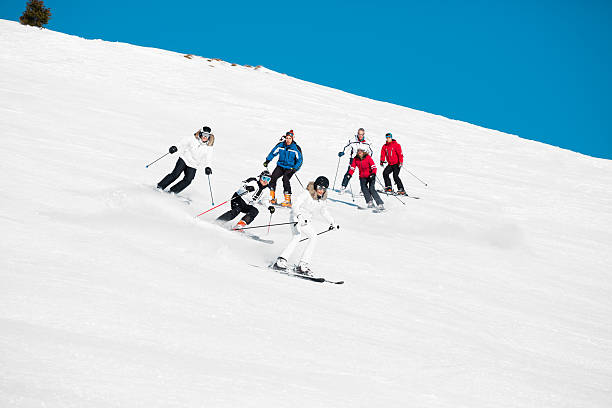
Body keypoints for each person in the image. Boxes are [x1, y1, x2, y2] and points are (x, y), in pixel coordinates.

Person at [273, 176, 338, 275]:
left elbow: (324, 212)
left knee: (313, 237)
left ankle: (302, 265)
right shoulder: (307, 193)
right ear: (316, 185)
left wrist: (332, 222)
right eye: (320, 187)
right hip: (296, 218)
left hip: (306, 221)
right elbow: (295, 205)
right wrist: (299, 216)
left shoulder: (322, 199)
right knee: (297, 236)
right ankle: (281, 261)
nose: (322, 190)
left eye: (324, 188)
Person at [157, 126, 214, 194]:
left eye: (207, 136)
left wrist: (208, 167)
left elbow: (208, 158)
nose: (205, 137)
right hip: (184, 159)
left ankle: (173, 191)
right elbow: (182, 142)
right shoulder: (193, 139)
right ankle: (160, 186)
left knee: (188, 180)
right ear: (201, 134)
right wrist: (175, 147)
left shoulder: (208, 148)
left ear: (209, 137)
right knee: (175, 174)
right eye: (204, 134)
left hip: (193, 165)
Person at [263, 130, 303, 207]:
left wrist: (295, 168)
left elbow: (300, 160)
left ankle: (288, 200)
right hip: (280, 166)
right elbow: (273, 152)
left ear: (292, 139)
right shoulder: (281, 145)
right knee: (273, 177)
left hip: (290, 168)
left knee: (285, 179)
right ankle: (272, 197)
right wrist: (267, 160)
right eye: (287, 138)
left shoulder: (296, 148)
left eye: (289, 138)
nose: (288, 140)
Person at [338, 128, 373, 192]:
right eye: (359, 134)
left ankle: (363, 189)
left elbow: (370, 151)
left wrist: (368, 159)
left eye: (362, 134)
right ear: (357, 134)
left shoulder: (367, 142)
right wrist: (343, 152)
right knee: (349, 172)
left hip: (363, 159)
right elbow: (347, 147)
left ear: (364, 134)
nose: (360, 136)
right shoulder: (353, 140)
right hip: (354, 158)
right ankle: (343, 186)